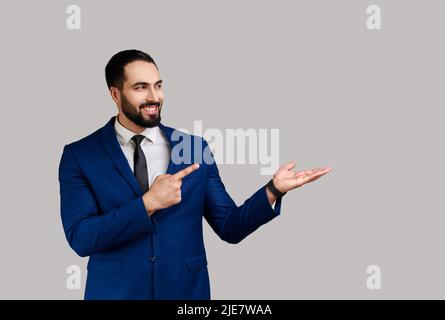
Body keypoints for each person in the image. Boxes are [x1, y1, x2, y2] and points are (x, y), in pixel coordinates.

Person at [58, 49, 332, 300]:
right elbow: (82, 237)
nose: (154, 97)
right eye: (141, 87)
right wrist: (148, 204)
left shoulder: (193, 148)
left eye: (158, 85)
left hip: (186, 295)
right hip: (114, 294)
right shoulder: (80, 155)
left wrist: (273, 190)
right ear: (115, 94)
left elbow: (229, 226)